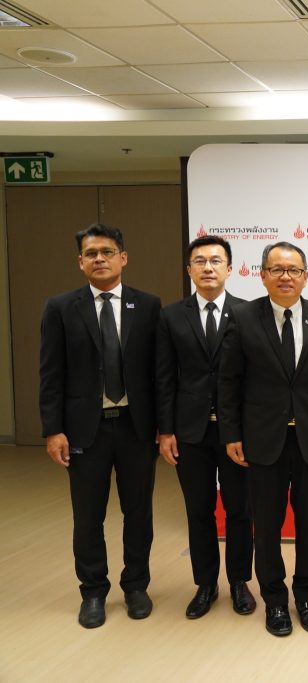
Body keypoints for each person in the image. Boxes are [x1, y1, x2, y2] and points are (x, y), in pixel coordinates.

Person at [218, 241, 308, 637]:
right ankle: (275, 600)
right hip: (263, 440)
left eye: (293, 270)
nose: (285, 277)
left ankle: (307, 596)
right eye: (276, 269)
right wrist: (231, 433)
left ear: (306, 276)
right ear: (262, 275)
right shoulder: (243, 317)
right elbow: (229, 381)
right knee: (267, 525)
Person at [39, 223, 161, 629]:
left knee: (138, 512)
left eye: (107, 252)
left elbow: (159, 373)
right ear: (80, 262)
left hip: (135, 428)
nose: (100, 259)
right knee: (88, 516)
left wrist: (164, 426)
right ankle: (93, 591)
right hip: (83, 432)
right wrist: (53, 429)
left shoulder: (148, 306)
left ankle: (136, 586)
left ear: (123, 257)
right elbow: (50, 374)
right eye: (91, 253)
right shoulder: (60, 308)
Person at [155, 235, 255, 619]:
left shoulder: (248, 313)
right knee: (198, 510)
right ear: (189, 270)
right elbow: (164, 377)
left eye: (215, 261)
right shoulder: (170, 316)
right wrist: (166, 430)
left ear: (229, 268)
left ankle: (240, 582)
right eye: (200, 261)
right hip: (189, 432)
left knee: (240, 510)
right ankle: (206, 584)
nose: (208, 267)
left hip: (237, 433)